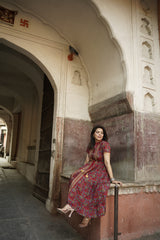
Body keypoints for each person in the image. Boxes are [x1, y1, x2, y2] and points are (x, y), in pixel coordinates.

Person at [57, 125, 122, 227]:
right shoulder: (90, 145)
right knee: (74, 176)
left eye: (102, 133)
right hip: (90, 167)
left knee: (90, 183)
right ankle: (70, 205)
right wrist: (82, 171)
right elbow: (87, 160)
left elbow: (107, 161)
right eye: (97, 132)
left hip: (100, 170)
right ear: (93, 134)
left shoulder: (105, 145)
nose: (100, 134)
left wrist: (112, 179)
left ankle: (87, 215)